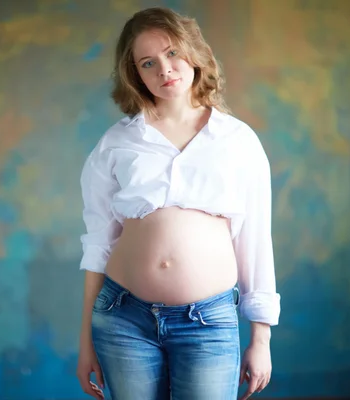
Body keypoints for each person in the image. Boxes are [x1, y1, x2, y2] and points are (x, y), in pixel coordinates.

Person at [76, 6, 280, 400]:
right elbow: (98, 246)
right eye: (148, 62)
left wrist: (261, 337)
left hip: (208, 322)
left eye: (172, 53)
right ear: (135, 74)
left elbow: (255, 240)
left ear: (194, 54)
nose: (164, 69)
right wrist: (85, 343)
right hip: (123, 319)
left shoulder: (237, 141)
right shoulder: (115, 144)